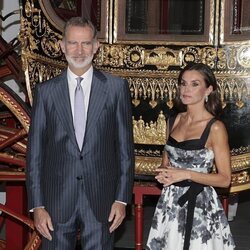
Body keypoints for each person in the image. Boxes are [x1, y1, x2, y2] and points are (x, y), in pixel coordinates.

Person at [26, 17, 134, 250]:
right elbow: (35, 154)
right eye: (73, 43)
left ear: (96, 47)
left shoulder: (115, 89)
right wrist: (37, 205)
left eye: (85, 43)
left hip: (102, 200)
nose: (79, 50)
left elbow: (125, 150)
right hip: (56, 200)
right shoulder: (45, 93)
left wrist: (121, 199)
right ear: (62, 46)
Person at [146, 63, 235, 250]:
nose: (186, 89)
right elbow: (166, 164)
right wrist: (164, 174)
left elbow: (225, 180)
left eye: (194, 84)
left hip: (200, 206)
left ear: (208, 89)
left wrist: (186, 174)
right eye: (183, 83)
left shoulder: (215, 128)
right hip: (170, 204)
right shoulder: (174, 120)